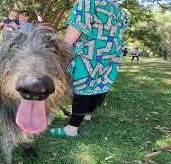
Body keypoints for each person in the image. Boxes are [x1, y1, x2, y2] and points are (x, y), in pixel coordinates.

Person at [49, 0, 130, 137]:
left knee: (83, 86)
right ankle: (86, 114)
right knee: (99, 84)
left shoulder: (87, 2)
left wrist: (62, 49)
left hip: (90, 52)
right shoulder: (121, 12)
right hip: (111, 53)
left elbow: (76, 29)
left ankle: (72, 129)